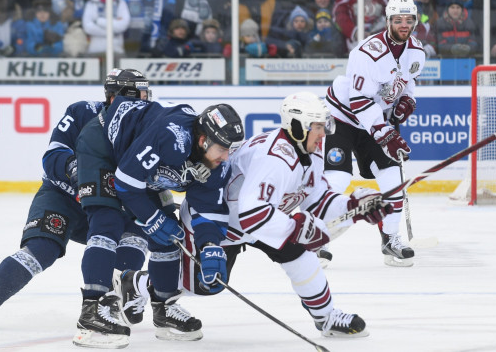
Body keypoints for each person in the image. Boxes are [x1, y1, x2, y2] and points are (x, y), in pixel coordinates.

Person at [156, 92, 392, 338]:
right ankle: (140, 286)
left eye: (325, 125)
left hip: (264, 221)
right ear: (298, 127)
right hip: (217, 223)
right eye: (318, 126)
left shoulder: (312, 152)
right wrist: (297, 228)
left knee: (302, 257)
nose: (324, 133)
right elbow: (251, 213)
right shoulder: (275, 159)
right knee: (203, 287)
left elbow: (319, 201)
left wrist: (355, 206)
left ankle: (327, 318)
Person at [0, 69, 151, 329]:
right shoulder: (82, 111)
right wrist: (77, 171)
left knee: (137, 234)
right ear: (117, 96)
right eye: (140, 93)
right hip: (64, 197)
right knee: (41, 250)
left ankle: (110, 301)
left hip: (110, 204)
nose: (146, 98)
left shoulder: (146, 123)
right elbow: (53, 155)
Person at [73, 90, 245, 347]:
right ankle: (92, 309)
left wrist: (210, 246)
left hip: (140, 166)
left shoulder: (216, 165)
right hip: (103, 148)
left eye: (230, 150)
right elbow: (126, 182)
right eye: (222, 149)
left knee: (169, 234)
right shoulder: (170, 136)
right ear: (203, 140)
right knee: (107, 221)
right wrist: (150, 217)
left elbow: (207, 210)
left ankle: (164, 307)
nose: (226, 157)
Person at [323, 0, 426, 267]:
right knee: (337, 181)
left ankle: (390, 238)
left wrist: (407, 101)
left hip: (375, 119)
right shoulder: (366, 52)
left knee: (393, 178)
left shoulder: (417, 50)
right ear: (388, 20)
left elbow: (409, 81)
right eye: (398, 20)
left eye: (409, 20)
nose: (404, 25)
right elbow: (358, 101)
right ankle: (315, 240)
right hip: (343, 117)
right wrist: (386, 134)